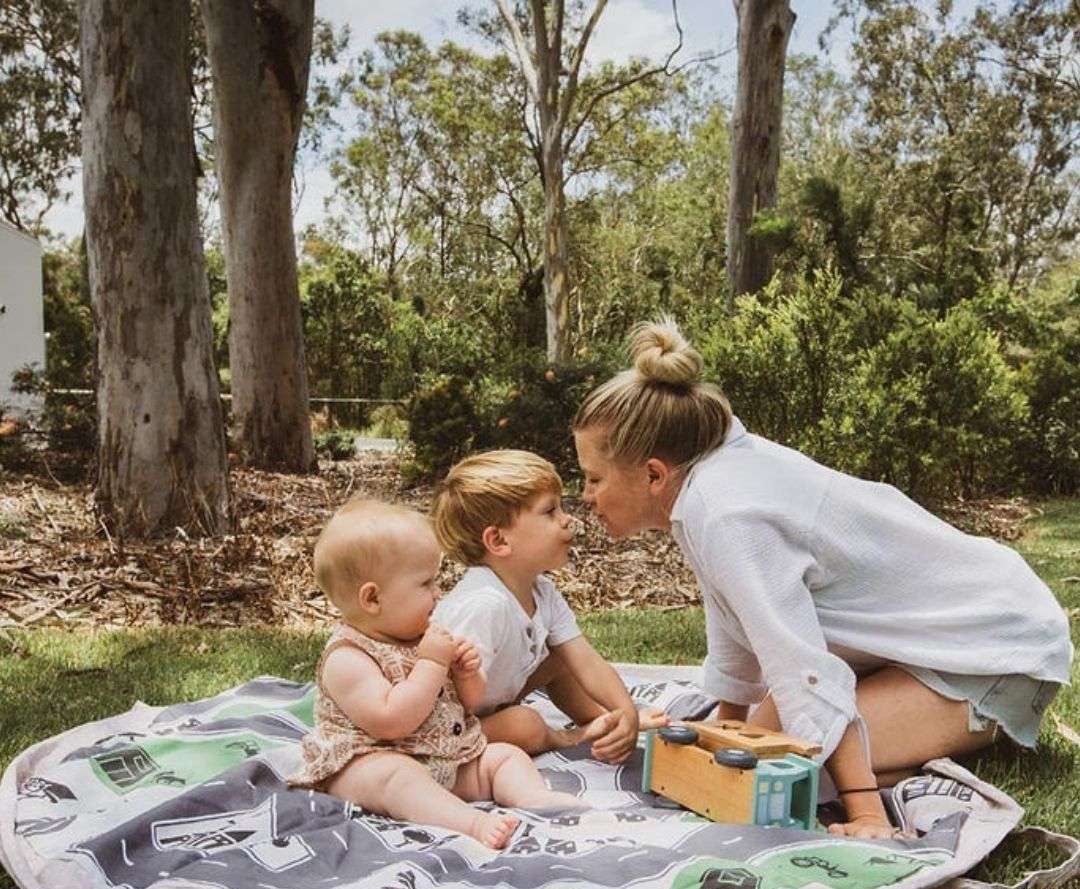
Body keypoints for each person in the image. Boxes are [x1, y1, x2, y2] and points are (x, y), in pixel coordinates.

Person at [572, 318, 1073, 839]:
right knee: (746, 760)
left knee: (789, 769)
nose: (586, 496)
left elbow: (800, 667)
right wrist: (729, 727)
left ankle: (917, 758)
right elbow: (733, 623)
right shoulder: (705, 484)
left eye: (593, 478)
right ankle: (901, 747)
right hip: (926, 636)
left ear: (654, 473)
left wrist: (864, 813)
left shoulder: (727, 512)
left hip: (996, 650)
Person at [287, 498, 582, 850]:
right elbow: (391, 722)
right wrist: (431, 665)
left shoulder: (425, 637)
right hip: (370, 762)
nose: (438, 594)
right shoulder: (348, 657)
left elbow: (468, 706)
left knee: (503, 756)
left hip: (442, 757)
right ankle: (471, 822)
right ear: (372, 599)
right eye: (425, 584)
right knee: (396, 777)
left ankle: (533, 797)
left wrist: (467, 674)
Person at [432, 449, 664, 764]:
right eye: (550, 511)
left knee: (561, 659)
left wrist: (625, 710)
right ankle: (569, 737)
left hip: (493, 705)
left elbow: (585, 660)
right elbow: (443, 704)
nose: (567, 519)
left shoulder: (543, 591)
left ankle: (604, 720)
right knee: (525, 723)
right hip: (447, 727)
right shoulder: (484, 605)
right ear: (498, 541)